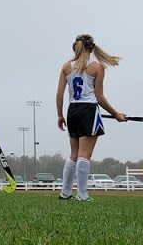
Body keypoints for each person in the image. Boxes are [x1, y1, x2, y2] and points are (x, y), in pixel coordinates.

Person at [54, 34, 126, 202]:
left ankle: (65, 193)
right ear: (91, 49)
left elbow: (59, 94)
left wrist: (59, 115)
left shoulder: (66, 67)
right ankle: (83, 195)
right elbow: (99, 97)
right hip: (89, 111)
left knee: (74, 154)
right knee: (85, 155)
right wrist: (116, 114)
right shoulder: (96, 68)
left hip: (72, 111)